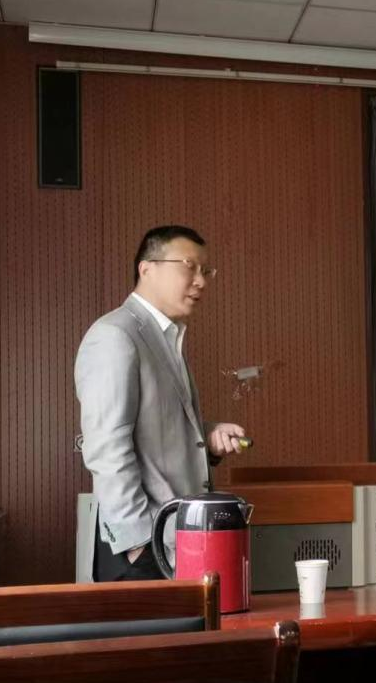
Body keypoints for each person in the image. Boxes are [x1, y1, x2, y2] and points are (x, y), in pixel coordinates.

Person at [75, 225, 247, 582]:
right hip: (141, 549)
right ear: (147, 269)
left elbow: (155, 429)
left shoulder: (165, 337)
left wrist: (207, 436)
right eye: (189, 266)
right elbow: (106, 447)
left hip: (172, 540)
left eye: (206, 270)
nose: (201, 281)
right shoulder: (115, 335)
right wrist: (139, 543)